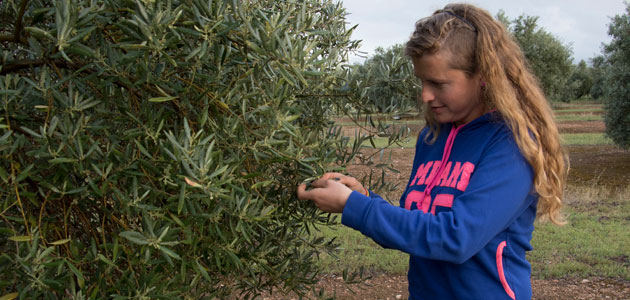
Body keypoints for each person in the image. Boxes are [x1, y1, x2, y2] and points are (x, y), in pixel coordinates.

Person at [296, 3, 568, 300]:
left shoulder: (511, 144)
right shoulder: (431, 138)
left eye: (438, 83)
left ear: (483, 76)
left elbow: (456, 238)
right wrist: (363, 199)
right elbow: (418, 228)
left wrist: (357, 208)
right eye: (422, 81)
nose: (425, 95)